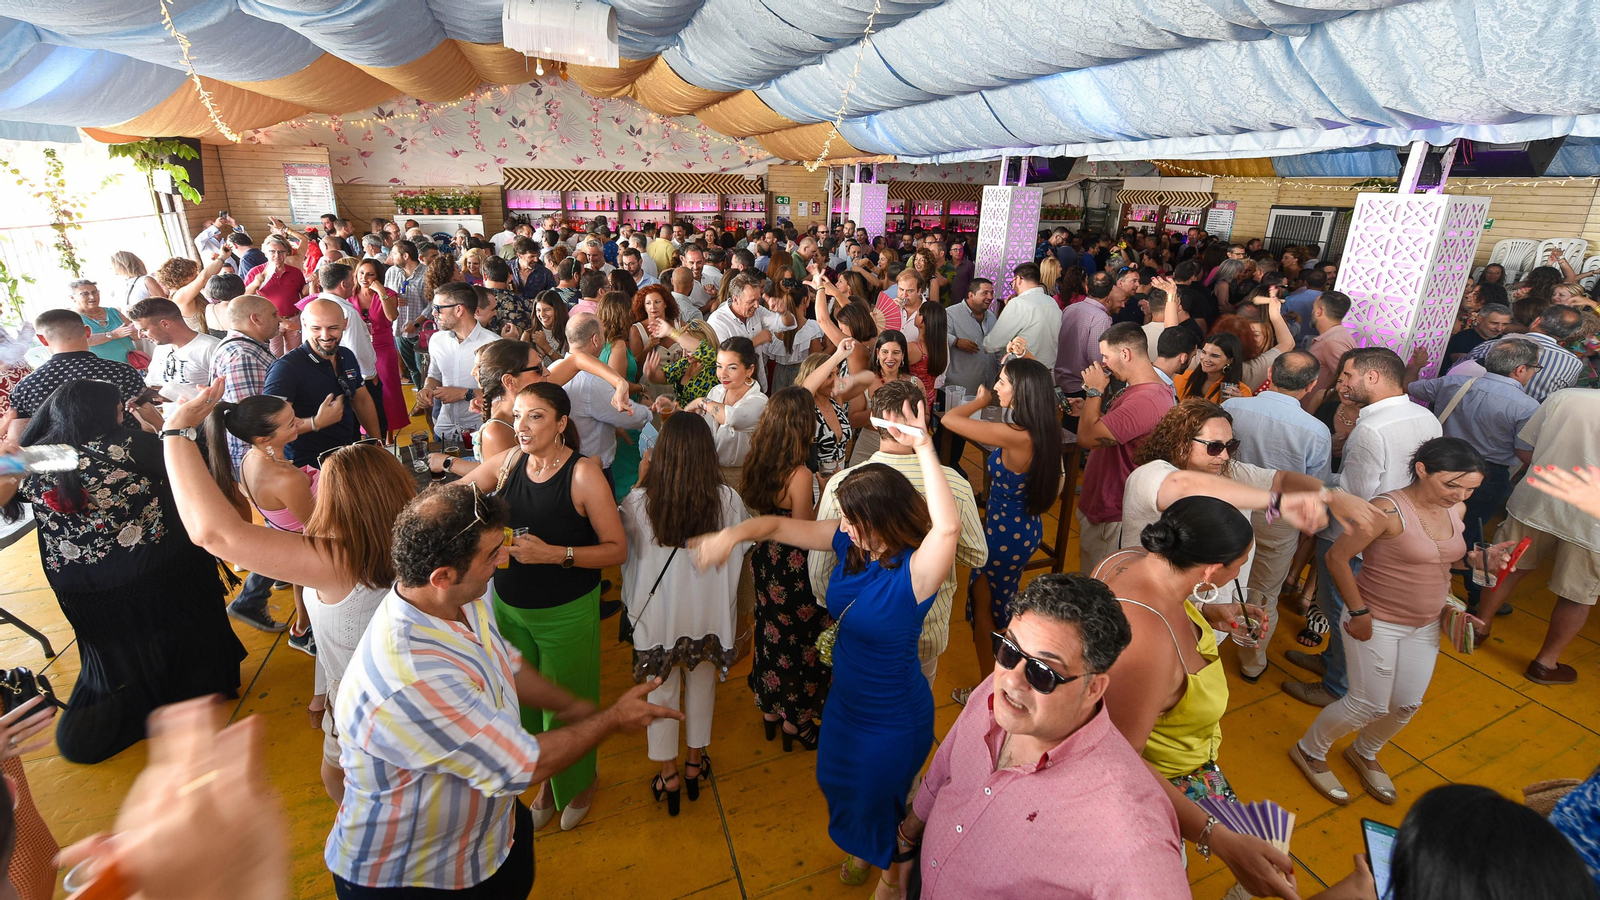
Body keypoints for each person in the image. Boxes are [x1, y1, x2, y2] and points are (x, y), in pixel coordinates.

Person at [692, 397, 958, 893]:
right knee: (839, 783)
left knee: (880, 796)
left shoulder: (915, 574)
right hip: (847, 704)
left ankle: (896, 874)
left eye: (854, 519)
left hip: (893, 714)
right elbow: (773, 525)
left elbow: (947, 527)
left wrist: (924, 446)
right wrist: (730, 537)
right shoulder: (849, 543)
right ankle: (880, 842)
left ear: (883, 518)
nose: (845, 526)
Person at [159, 381, 408, 802]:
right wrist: (322, 690)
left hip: (368, 709)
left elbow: (215, 533)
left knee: (354, 788)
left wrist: (176, 434)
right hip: (385, 694)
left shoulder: (341, 562)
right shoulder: (411, 544)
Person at [895, 574, 1190, 900]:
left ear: (1093, 688)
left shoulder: (1129, 832)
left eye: (1042, 672)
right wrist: (908, 836)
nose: (1012, 682)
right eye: (1008, 649)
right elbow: (946, 765)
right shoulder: (997, 696)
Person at [0, 380, 245, 765]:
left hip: (84, 588)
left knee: (120, 652)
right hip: (159, 569)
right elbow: (193, 465)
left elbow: (5, 481)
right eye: (117, 408)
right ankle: (192, 691)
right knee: (185, 620)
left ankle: (137, 698)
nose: (121, 414)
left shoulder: (42, 457)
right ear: (101, 413)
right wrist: (161, 424)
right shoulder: (127, 445)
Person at [1094, 498, 1300, 900]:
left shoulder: (1129, 559)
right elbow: (1120, 758)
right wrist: (1214, 835)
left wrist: (1213, 609)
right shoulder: (1149, 644)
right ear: (1211, 570)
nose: (1242, 570)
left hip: (1186, 755)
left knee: (1268, 844)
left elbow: (1167, 595)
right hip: (1162, 777)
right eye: (1241, 563)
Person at [450, 382, 629, 831]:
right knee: (523, 703)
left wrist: (556, 554)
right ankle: (549, 776)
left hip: (566, 609)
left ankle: (581, 779)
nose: (523, 427)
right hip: (510, 609)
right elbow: (454, 496)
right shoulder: (510, 462)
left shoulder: (583, 473)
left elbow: (616, 550)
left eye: (536, 416)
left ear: (561, 423)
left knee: (569, 701)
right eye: (518, 416)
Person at [1291, 438, 1490, 806]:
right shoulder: (1386, 510)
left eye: (1470, 488)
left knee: (1406, 704)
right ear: (1422, 469)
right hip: (1377, 620)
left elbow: (1442, 558)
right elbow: (1336, 559)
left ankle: (1364, 751)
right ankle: (1309, 750)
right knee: (1367, 704)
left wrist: (1475, 562)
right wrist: (1359, 612)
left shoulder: (1456, 509)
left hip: (1426, 623)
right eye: (1451, 484)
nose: (1460, 494)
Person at [1285, 348, 1442, 708]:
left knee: (1341, 609)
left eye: (1347, 375)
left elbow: (1354, 497)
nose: (1340, 382)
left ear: (1372, 378)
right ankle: (1331, 662)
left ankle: (1337, 686)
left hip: (1351, 535)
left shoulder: (1370, 429)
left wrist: (1315, 481)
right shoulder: (1425, 417)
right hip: (1392, 531)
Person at [810, 381, 988, 688]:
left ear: (875, 423)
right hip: (925, 632)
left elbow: (819, 573)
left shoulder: (842, 484)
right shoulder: (954, 486)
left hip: (860, 631)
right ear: (924, 418)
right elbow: (976, 554)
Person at [619, 413, 748, 817]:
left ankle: (669, 774)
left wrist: (641, 479)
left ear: (661, 453)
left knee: (660, 694)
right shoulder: (728, 501)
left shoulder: (639, 502)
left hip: (658, 620)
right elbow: (741, 553)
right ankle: (695, 762)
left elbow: (625, 558)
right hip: (708, 618)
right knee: (703, 686)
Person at [941, 358, 1063, 704]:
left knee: (986, 608)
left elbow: (950, 420)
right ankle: (1002, 677)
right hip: (1023, 529)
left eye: (1003, 382)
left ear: (1022, 392)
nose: (996, 387)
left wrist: (979, 402)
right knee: (1000, 603)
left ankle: (987, 691)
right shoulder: (1042, 429)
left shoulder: (1014, 436)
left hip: (1002, 536)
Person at [1222, 350, 1337, 679]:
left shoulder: (1233, 407)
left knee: (1214, 573)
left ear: (1271, 372)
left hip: (1231, 503)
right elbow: (1317, 485)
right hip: (1278, 515)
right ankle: (1252, 662)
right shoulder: (1315, 430)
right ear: (1312, 385)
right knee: (1263, 591)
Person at [1474, 388, 1600, 684]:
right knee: (1576, 594)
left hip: (1537, 499)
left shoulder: (1566, 397)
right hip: (1591, 522)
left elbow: (1524, 450)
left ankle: (1478, 627)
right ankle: (1545, 664)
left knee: (1506, 566)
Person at [1408, 338, 1541, 611]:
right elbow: (1523, 451)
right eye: (1533, 369)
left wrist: (1415, 366)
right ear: (1520, 370)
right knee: (1474, 536)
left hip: (1442, 464)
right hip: (1488, 475)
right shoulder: (1527, 406)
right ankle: (1475, 597)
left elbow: (1408, 387)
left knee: (1427, 524)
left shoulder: (1454, 383)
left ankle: (1418, 582)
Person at [738, 386, 832, 751]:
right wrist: (824, 492)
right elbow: (804, 530)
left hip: (764, 557)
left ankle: (770, 710)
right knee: (801, 642)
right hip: (793, 566)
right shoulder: (800, 475)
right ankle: (798, 720)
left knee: (770, 631)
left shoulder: (757, 458)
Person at [1073, 321, 1177, 575]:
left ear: (1125, 354)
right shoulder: (1140, 391)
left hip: (1114, 513)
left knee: (1101, 584)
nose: (1104, 363)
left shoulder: (1146, 399)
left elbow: (1087, 439)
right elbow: (1110, 429)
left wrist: (1094, 392)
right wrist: (1088, 410)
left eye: (1106, 356)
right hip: (1103, 503)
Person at [262, 299, 380, 467]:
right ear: (304, 323)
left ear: (345, 324)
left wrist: (377, 443)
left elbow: (361, 401)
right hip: (308, 467)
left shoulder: (346, 356)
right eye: (316, 328)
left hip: (346, 456)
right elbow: (270, 427)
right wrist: (315, 422)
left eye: (333, 327)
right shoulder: (285, 369)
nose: (325, 336)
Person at [7, 309, 146, 442]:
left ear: (42, 340)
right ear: (88, 331)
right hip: (125, 457)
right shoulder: (122, 371)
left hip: (59, 463)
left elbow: (17, 440)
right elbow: (147, 417)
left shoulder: (26, 385)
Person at [657, 336, 768, 488]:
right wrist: (678, 410)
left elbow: (732, 418)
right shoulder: (716, 392)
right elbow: (702, 426)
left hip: (744, 480)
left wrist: (701, 401)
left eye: (732, 367)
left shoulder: (759, 401)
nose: (723, 374)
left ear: (750, 370)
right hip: (709, 475)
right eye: (719, 366)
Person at [412, 282, 496, 442]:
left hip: (481, 433)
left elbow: (505, 395)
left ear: (459, 309)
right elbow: (434, 375)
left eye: (438, 308)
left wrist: (464, 394)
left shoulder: (493, 344)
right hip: (444, 430)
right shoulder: (437, 340)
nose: (434, 314)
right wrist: (427, 389)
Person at [1458, 304, 1586, 401]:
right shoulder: (1573, 363)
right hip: (1525, 428)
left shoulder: (1489, 346)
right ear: (1569, 334)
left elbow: (1456, 373)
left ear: (1537, 321)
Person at [128, 297, 221, 395]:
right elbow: (153, 383)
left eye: (144, 330)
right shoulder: (160, 348)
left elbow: (224, 395)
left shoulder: (211, 348)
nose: (140, 335)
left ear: (165, 324)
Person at [985, 263, 1062, 369]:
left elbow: (993, 343)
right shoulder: (1052, 302)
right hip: (1048, 370)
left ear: (1019, 279)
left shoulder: (1018, 303)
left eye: (1012, 281)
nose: (1012, 285)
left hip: (1024, 370)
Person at [244, 235, 309, 356]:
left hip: (293, 317)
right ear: (265, 253)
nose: (277, 255)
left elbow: (303, 293)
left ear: (286, 253)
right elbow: (244, 298)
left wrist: (311, 284)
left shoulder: (295, 272)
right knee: (274, 356)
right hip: (269, 320)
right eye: (272, 252)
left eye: (281, 252)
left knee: (296, 355)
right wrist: (255, 284)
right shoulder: (256, 272)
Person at [382, 239, 428, 386]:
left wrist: (416, 323)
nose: (391, 256)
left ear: (406, 256)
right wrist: (392, 299)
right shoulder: (391, 272)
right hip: (399, 329)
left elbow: (434, 303)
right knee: (413, 369)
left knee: (424, 369)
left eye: (394, 253)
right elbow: (385, 295)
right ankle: (421, 398)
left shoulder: (427, 274)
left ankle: (431, 402)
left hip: (421, 330)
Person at [1303, 291, 1357, 411]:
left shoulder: (1333, 342)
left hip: (1317, 413)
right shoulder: (1335, 337)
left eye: (1314, 308)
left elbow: (1348, 381)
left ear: (1319, 311)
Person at [70, 279, 138, 365]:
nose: (92, 297)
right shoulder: (73, 318)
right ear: (73, 298)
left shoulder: (113, 312)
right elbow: (80, 341)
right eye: (85, 294)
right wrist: (113, 335)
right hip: (100, 370)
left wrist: (134, 333)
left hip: (130, 365)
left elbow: (136, 336)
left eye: (95, 292)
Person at [1173, 330, 1253, 403]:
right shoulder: (1182, 378)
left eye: (1214, 356)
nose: (1206, 359)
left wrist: (1241, 403)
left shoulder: (1241, 391)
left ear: (1229, 360)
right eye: (1204, 352)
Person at [1446, 301, 1512, 365]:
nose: (1499, 328)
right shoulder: (1462, 339)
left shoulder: (1503, 340)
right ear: (1479, 319)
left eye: (1504, 324)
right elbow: (1467, 364)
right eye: (1494, 323)